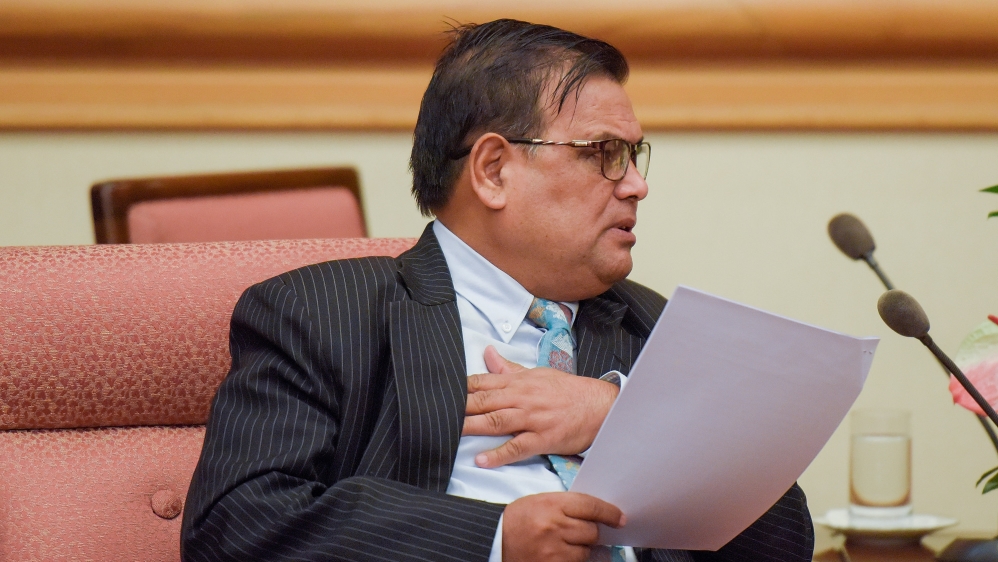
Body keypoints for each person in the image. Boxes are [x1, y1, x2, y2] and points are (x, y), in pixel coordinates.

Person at [181, 19, 814, 562]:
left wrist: (621, 418)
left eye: (633, 155)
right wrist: (494, 539)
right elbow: (234, 525)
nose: (635, 186)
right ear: (493, 171)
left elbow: (785, 542)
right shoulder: (323, 313)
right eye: (604, 152)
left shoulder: (657, 329)